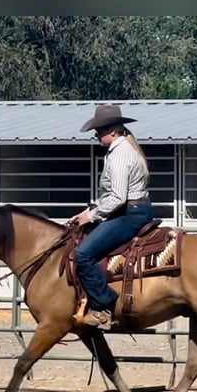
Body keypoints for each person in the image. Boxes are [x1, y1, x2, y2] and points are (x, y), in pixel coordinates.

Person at [67, 104, 155, 330]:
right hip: (135, 210)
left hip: (129, 214)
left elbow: (117, 197)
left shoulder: (120, 155)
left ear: (112, 131)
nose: (96, 136)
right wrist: (89, 212)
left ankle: (104, 306)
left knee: (83, 254)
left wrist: (92, 215)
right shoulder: (123, 150)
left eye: (99, 131)